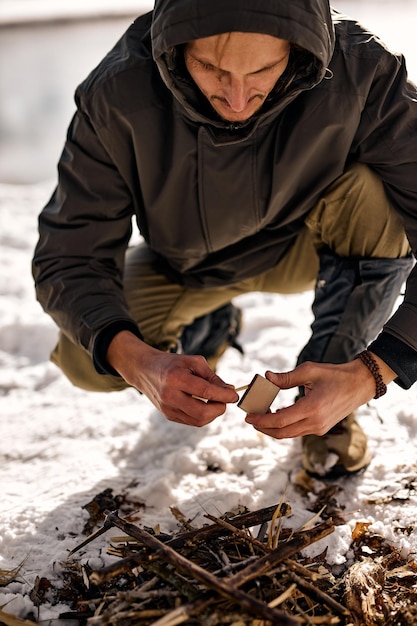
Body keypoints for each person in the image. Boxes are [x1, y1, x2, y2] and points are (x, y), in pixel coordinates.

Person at [32, 0, 417, 478]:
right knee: (85, 357)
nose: (236, 99)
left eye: (263, 69)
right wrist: (140, 364)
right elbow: (68, 256)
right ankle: (207, 330)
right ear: (174, 49)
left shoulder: (363, 69)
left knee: (378, 192)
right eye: (210, 68)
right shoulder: (116, 93)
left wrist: (372, 372)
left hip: (306, 246)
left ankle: (329, 396)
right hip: (187, 267)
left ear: (300, 50)